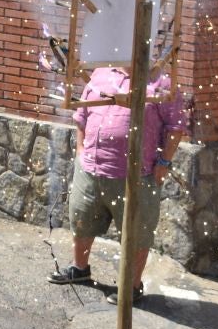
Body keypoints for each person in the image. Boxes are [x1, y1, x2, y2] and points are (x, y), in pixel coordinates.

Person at [50, 62, 189, 301]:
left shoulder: (162, 83)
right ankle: (80, 268)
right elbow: (82, 115)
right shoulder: (101, 73)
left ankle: (131, 287)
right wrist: (81, 150)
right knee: (81, 218)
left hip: (137, 175)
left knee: (136, 231)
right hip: (91, 167)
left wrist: (164, 163)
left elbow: (176, 127)